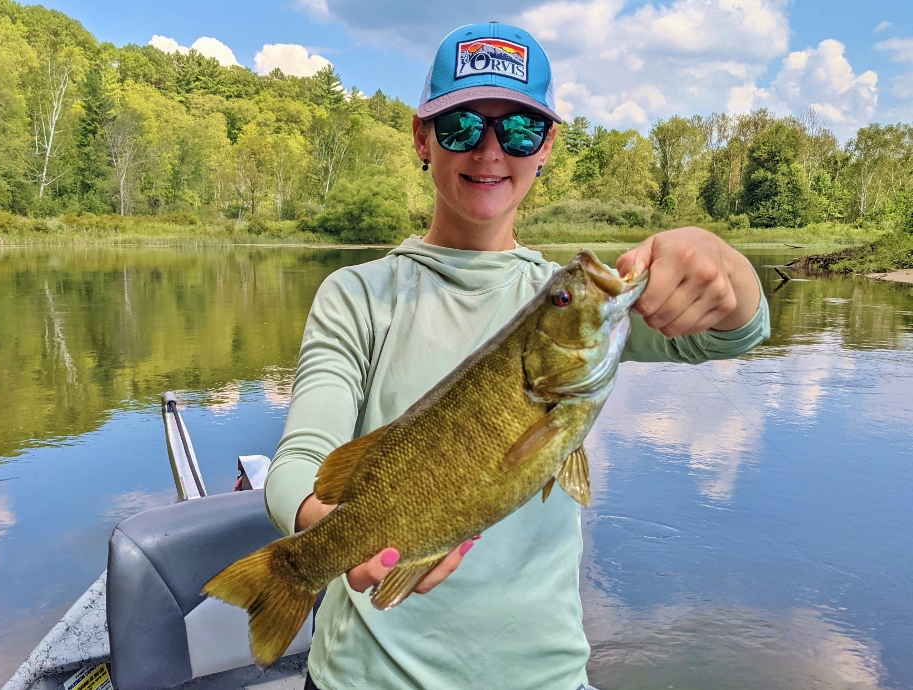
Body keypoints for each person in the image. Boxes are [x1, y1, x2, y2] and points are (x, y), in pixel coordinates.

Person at [265, 21, 770, 690]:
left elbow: (734, 332)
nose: (490, 150)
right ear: (422, 137)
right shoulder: (356, 294)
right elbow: (300, 464)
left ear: (547, 146)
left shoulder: (578, 309)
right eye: (462, 127)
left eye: (520, 130)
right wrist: (320, 531)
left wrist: (719, 259)